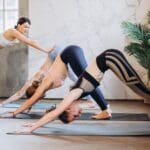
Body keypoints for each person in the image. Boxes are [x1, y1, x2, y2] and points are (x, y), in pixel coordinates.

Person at [17, 48, 150, 133]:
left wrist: (33, 128)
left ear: (68, 109)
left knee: (142, 91)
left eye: (74, 116)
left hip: (110, 58)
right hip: (109, 59)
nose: (79, 115)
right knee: (143, 91)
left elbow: (56, 112)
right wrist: (36, 123)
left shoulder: (73, 95)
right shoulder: (76, 98)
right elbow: (55, 114)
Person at [0, 45, 111, 120]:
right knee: (88, 81)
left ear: (36, 93)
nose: (39, 99)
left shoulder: (43, 85)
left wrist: (14, 113)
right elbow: (30, 100)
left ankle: (105, 110)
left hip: (69, 53)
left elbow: (30, 101)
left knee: (89, 81)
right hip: (71, 52)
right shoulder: (45, 85)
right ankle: (105, 109)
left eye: (37, 98)